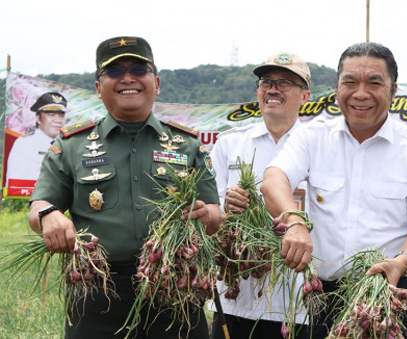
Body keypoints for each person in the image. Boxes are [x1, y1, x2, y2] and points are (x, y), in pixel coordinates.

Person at [27, 36, 221, 339]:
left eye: (138, 70)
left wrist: (205, 216)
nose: (128, 78)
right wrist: (49, 214)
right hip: (98, 293)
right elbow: (38, 206)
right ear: (97, 87)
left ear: (156, 83)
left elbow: (215, 216)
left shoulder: (187, 144)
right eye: (115, 72)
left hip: (175, 290)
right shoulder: (72, 145)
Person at [260, 42, 407, 339]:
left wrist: (400, 262)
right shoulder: (313, 137)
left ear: (393, 90)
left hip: (392, 289)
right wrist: (294, 222)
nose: (360, 93)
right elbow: (274, 178)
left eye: (374, 83)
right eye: (350, 82)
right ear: (337, 86)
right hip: (325, 296)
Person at [209, 52, 312, 339]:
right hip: (237, 298)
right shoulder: (231, 143)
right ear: (258, 91)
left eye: (285, 83)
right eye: (266, 82)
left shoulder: (321, 145)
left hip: (298, 301)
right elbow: (209, 212)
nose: (273, 89)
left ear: (305, 96)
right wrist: (226, 207)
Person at [5, 91, 67, 189]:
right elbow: (14, 184)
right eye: (51, 115)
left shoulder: (67, 144)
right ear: (38, 118)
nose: (57, 120)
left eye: (61, 115)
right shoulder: (24, 144)